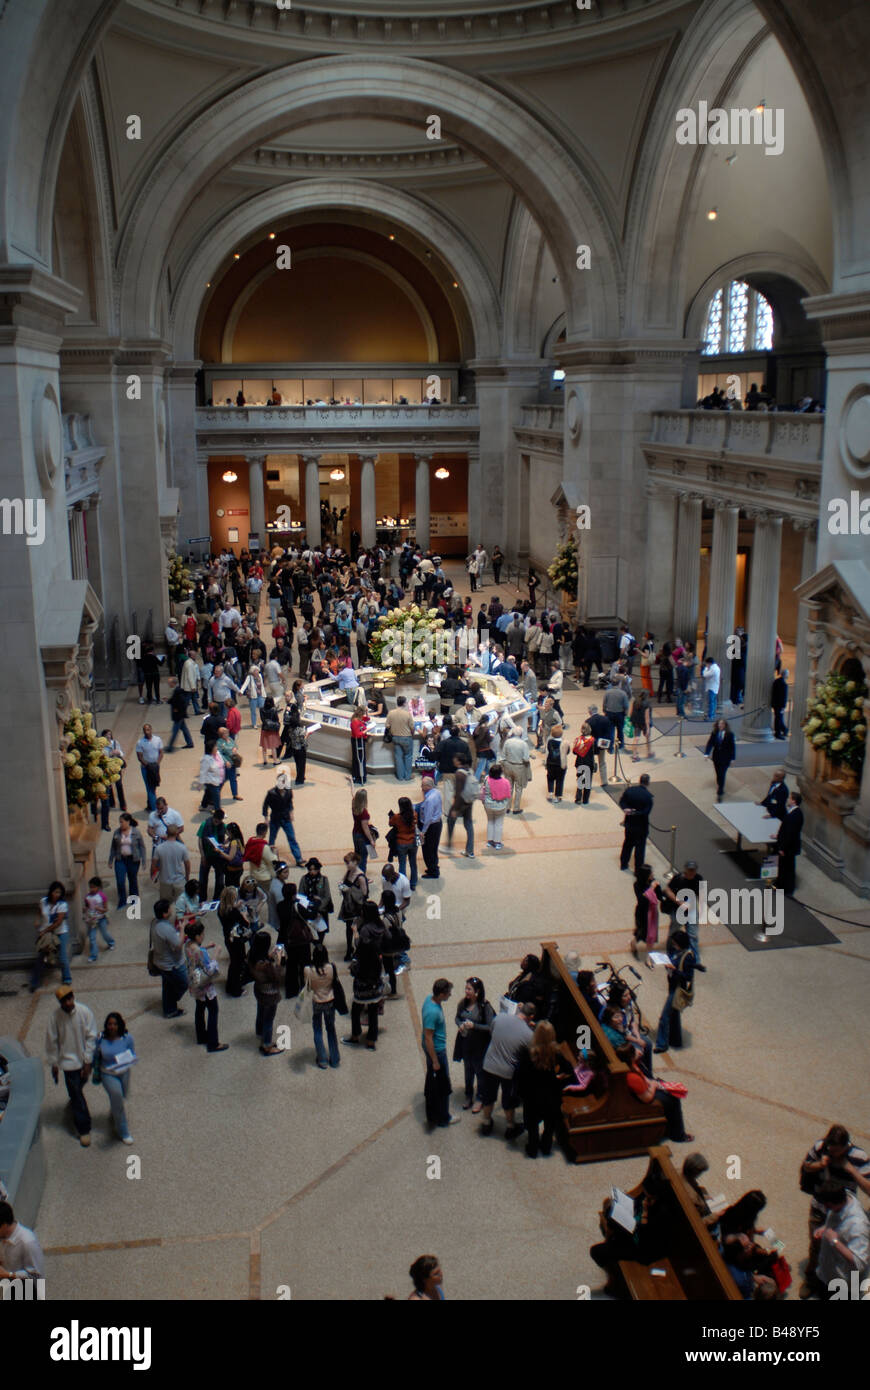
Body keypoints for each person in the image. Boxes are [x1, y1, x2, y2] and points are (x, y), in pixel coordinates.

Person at [799, 1124, 870, 1298]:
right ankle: (812, 1280)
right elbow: (805, 1166)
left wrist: (851, 1170)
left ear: (846, 1146)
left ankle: (836, 1284)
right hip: (820, 1207)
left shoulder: (859, 1157)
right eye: (830, 1149)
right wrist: (818, 1165)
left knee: (841, 1250)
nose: (832, 1154)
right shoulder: (821, 1147)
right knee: (816, 1247)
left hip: (842, 1212)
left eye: (836, 1151)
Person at [45, 985, 97, 1146]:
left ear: (73, 997)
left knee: (77, 1090)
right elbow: (51, 1042)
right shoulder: (55, 1018)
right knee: (76, 1094)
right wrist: (54, 1063)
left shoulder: (84, 1012)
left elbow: (91, 1037)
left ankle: (75, 1101)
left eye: (69, 999)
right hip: (68, 1063)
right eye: (63, 1001)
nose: (68, 1003)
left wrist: (87, 1061)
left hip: (84, 1059)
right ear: (60, 1002)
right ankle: (84, 1129)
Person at [516, 1019, 573, 1158]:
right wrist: (559, 1076)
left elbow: (520, 1073)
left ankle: (533, 1148)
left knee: (532, 1124)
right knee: (550, 1123)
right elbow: (569, 1069)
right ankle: (546, 1147)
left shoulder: (527, 1052)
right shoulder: (556, 1052)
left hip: (532, 1093)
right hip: (551, 1093)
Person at [617, 1043, 694, 1143]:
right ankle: (678, 1135)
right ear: (630, 1057)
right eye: (635, 1051)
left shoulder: (631, 1065)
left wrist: (654, 1083)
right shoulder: (632, 1077)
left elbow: (644, 1078)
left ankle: (669, 1128)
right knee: (673, 1099)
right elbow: (647, 1098)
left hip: (647, 1088)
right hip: (642, 1100)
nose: (637, 1051)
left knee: (668, 1089)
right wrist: (654, 1085)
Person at [479, 1001, 535, 1139]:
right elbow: (530, 1053)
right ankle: (510, 1126)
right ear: (531, 1017)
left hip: (489, 1065)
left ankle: (486, 1122)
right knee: (508, 1100)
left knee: (488, 1096)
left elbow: (492, 1032)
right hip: (508, 1072)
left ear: (520, 1009)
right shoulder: (529, 1034)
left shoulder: (500, 1017)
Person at [811, 1181, 870, 1297]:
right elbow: (837, 1222)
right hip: (826, 1271)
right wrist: (825, 1228)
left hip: (841, 1283)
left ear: (832, 1203)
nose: (826, 1209)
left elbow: (860, 1262)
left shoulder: (858, 1226)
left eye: (827, 1206)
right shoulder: (845, 1197)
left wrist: (835, 1241)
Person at [184, 919, 228, 1052]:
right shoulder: (200, 952)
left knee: (200, 1009)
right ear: (197, 936)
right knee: (213, 1011)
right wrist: (216, 954)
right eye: (202, 934)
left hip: (194, 982)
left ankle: (201, 1036)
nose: (203, 936)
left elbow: (196, 954)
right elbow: (209, 969)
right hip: (205, 986)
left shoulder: (188, 945)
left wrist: (206, 947)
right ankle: (213, 1043)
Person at [94, 1010, 137, 1144]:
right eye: (109, 1024)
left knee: (121, 1096)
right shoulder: (100, 1039)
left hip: (124, 1072)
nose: (111, 1027)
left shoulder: (127, 1038)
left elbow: (132, 1053)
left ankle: (115, 1109)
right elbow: (95, 1055)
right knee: (117, 1096)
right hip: (108, 1073)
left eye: (115, 1024)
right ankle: (123, 1131)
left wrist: (130, 1059)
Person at [453, 977, 494, 1111]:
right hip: (465, 1044)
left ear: (477, 991)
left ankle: (480, 1097)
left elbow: (490, 1026)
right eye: (466, 988)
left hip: (480, 1046)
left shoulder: (485, 1007)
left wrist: (474, 1026)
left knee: (479, 1072)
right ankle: (468, 1095)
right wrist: (460, 1024)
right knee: (468, 1071)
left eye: (469, 989)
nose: (466, 991)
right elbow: (457, 1017)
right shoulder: (463, 1003)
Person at [345, 908, 384, 1050]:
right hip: (375, 987)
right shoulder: (376, 957)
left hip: (362, 988)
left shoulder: (359, 958)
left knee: (356, 1011)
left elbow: (354, 972)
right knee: (373, 1012)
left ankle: (355, 1035)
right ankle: (371, 1040)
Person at [422, 978, 458, 1127]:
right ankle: (444, 1117)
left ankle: (437, 1113)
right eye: (448, 992)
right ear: (442, 994)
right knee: (443, 1084)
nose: (450, 995)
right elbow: (429, 1037)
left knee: (436, 1081)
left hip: (433, 1049)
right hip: (436, 1051)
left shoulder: (428, 1000)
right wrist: (435, 1060)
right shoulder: (433, 1012)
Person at [654, 929, 695, 1053]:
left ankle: (662, 1044)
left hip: (678, 988)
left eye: (675, 943)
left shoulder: (687, 957)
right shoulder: (675, 952)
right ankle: (676, 1040)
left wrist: (674, 969)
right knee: (674, 1014)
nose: (673, 945)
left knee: (665, 1017)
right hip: (672, 985)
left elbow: (688, 976)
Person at [662, 860, 706, 969]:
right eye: (690, 870)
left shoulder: (699, 879)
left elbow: (701, 893)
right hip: (678, 910)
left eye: (693, 870)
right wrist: (679, 902)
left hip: (691, 911)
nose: (691, 872)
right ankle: (670, 955)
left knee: (693, 936)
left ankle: (696, 961)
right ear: (685, 870)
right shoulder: (678, 878)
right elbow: (667, 890)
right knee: (674, 934)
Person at [304, 943, 342, 1069]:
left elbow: (308, 987)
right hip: (330, 1001)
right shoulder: (331, 967)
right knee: (331, 1029)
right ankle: (335, 1059)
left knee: (317, 1029)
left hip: (316, 1001)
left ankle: (322, 1059)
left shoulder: (308, 970)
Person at [149, 899, 188, 1018]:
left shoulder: (154, 922)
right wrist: (182, 929)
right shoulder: (165, 928)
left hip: (160, 961)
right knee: (183, 983)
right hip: (172, 964)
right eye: (169, 908)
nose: (172, 909)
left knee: (167, 986)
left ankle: (169, 1009)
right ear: (165, 914)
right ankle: (171, 1003)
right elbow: (178, 945)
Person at [249, 932, 283, 1055]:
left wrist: (269, 956)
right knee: (269, 1019)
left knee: (261, 1012)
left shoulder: (252, 956)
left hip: (259, 989)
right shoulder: (266, 965)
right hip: (270, 993)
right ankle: (267, 1045)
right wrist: (278, 961)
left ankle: (259, 1032)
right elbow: (277, 977)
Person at [217, 885, 253, 997]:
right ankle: (236, 989)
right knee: (237, 964)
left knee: (233, 963)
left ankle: (230, 985)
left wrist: (235, 907)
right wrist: (244, 914)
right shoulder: (234, 913)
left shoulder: (221, 909)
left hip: (228, 937)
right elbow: (246, 923)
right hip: (237, 940)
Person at [263, 773, 304, 867]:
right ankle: (270, 859)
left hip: (286, 818)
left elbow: (290, 803)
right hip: (275, 818)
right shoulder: (271, 793)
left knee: (292, 838)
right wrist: (266, 818)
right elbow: (265, 805)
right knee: (272, 840)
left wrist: (291, 813)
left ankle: (298, 858)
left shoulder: (289, 791)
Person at [0, 1200, 45, 1285]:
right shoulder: (3, 1236)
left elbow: (36, 1276)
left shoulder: (28, 1242)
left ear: (4, 1225)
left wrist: (8, 1274)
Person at [108, 813, 146, 911]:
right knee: (120, 881)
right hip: (120, 859)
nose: (121, 824)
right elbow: (113, 847)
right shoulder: (117, 833)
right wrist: (111, 860)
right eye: (120, 822)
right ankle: (122, 899)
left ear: (128, 822)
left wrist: (144, 861)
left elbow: (142, 847)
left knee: (132, 879)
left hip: (133, 860)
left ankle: (134, 898)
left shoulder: (136, 832)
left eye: (122, 822)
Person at [618, 773, 653, 872]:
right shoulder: (648, 796)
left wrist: (626, 809)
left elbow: (622, 802)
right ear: (648, 783)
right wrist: (636, 812)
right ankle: (638, 869)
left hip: (629, 823)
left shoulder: (629, 791)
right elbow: (646, 812)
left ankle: (623, 864)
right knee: (640, 849)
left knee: (627, 844)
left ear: (639, 781)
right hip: (641, 826)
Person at [338, 852, 369, 961]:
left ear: (355, 862)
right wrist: (341, 885)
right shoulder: (349, 872)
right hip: (348, 905)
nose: (347, 866)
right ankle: (348, 949)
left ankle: (358, 950)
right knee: (348, 928)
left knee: (357, 929)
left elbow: (365, 894)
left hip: (357, 907)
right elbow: (343, 881)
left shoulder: (360, 877)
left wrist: (350, 890)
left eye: (348, 863)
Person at [152, 822, 191, 907]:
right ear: (177, 833)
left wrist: (153, 876)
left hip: (165, 880)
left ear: (166, 833)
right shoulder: (182, 848)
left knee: (164, 906)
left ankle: (165, 920)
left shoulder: (159, 848)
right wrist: (187, 877)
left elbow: (153, 865)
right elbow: (187, 865)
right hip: (179, 880)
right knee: (181, 906)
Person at [446, 751, 476, 858]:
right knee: (468, 824)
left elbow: (458, 793)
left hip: (461, 802)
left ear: (458, 761)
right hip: (469, 801)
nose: (453, 760)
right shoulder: (470, 770)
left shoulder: (459, 774)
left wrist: (455, 808)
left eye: (455, 759)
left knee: (450, 820)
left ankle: (448, 846)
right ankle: (470, 850)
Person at [631, 863, 662, 964]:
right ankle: (633, 943)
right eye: (650, 873)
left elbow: (660, 896)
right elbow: (641, 899)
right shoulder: (637, 885)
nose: (652, 874)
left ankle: (649, 957)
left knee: (652, 935)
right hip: (642, 912)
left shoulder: (654, 883)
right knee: (641, 933)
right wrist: (651, 888)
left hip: (652, 912)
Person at [298, 857, 333, 942]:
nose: (312, 872)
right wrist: (309, 908)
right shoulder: (304, 879)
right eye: (310, 869)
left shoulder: (324, 879)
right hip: (308, 909)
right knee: (309, 931)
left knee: (322, 931)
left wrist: (318, 909)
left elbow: (327, 896)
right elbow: (301, 895)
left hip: (321, 910)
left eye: (314, 869)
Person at [775, 791, 803, 895]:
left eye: (790, 798)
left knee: (787, 868)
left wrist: (783, 848)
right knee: (784, 866)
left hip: (789, 848)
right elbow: (785, 829)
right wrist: (778, 836)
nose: (788, 800)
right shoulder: (793, 812)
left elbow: (790, 834)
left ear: (794, 801)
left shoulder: (795, 815)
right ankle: (781, 885)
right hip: (788, 845)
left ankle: (786, 888)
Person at [82, 876, 115, 962]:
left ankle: (111, 942)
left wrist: (99, 909)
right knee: (92, 937)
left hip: (101, 919)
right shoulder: (87, 897)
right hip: (92, 920)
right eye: (90, 887)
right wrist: (85, 909)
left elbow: (105, 909)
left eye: (94, 887)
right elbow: (86, 906)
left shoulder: (102, 896)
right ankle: (94, 955)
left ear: (98, 887)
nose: (92, 889)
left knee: (104, 933)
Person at [416, 776, 444, 879]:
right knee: (433, 848)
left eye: (422, 785)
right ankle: (433, 867)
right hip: (437, 823)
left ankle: (433, 871)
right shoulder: (436, 792)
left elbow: (427, 818)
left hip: (430, 827)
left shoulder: (429, 800)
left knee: (428, 850)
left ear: (428, 786)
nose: (421, 787)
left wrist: (423, 831)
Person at [388, 796, 419, 888]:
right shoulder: (414, 814)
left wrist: (391, 816)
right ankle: (413, 883)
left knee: (402, 864)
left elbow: (390, 823)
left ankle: (403, 884)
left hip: (401, 843)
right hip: (413, 842)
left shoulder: (397, 817)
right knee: (413, 863)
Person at [481, 762, 512, 851]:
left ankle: (490, 841)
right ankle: (497, 842)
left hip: (488, 805)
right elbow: (508, 794)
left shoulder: (487, 779)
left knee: (490, 821)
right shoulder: (505, 781)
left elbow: (483, 789)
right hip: (500, 806)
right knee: (498, 824)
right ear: (500, 773)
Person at [135, 723, 163, 812]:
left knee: (153, 786)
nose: (146, 732)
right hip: (146, 768)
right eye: (144, 730)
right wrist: (148, 766)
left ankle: (150, 805)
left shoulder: (157, 740)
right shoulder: (140, 743)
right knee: (150, 788)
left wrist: (156, 764)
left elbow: (161, 753)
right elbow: (139, 757)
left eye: (148, 730)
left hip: (155, 768)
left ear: (151, 729)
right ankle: (155, 810)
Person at [704, 717, 735, 800]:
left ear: (725, 725)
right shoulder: (714, 733)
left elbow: (732, 747)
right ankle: (720, 784)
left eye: (722, 724)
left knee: (722, 773)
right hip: (716, 757)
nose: (720, 725)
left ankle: (720, 791)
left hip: (726, 758)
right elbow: (710, 743)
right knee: (718, 773)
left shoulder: (730, 734)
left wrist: (732, 758)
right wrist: (706, 753)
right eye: (719, 724)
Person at [351, 786, 378, 874]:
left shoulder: (354, 804)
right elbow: (365, 828)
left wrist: (351, 782)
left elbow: (352, 793)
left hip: (355, 833)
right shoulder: (364, 813)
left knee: (357, 855)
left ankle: (355, 873)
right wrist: (371, 840)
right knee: (363, 858)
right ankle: (361, 877)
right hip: (362, 837)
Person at [198, 740, 226, 813]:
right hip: (212, 781)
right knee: (216, 797)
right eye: (215, 746)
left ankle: (203, 805)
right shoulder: (206, 759)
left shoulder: (218, 754)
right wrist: (200, 784)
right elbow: (203, 772)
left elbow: (223, 762)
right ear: (211, 748)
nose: (217, 748)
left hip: (220, 779)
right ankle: (218, 812)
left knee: (208, 792)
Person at [602, 679, 629, 752]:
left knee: (610, 731)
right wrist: (626, 713)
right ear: (619, 683)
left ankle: (610, 747)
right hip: (620, 714)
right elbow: (626, 705)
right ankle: (620, 746)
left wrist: (604, 711)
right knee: (620, 730)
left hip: (609, 713)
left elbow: (604, 703)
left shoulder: (607, 692)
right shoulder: (623, 693)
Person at [572, 724, 596, 805]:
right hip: (589, 763)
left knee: (580, 781)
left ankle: (578, 799)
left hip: (580, 762)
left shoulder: (578, 740)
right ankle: (585, 799)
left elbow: (574, 752)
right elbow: (596, 751)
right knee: (588, 782)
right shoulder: (592, 740)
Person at [545, 723, 568, 802]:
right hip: (560, 764)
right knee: (560, 780)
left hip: (551, 763)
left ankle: (550, 793)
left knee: (550, 778)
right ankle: (558, 796)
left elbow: (548, 750)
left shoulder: (550, 742)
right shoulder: (564, 743)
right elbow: (567, 752)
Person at [630, 687, 653, 761]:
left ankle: (634, 755)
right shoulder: (647, 704)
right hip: (643, 723)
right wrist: (648, 728)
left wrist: (630, 721)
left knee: (636, 738)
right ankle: (649, 752)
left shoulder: (635, 701)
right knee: (647, 737)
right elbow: (647, 718)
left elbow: (630, 712)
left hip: (636, 722)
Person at [259, 695, 282, 765]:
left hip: (264, 729)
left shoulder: (261, 709)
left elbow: (262, 719)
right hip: (272, 730)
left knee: (264, 746)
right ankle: (275, 761)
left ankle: (265, 760)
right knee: (273, 746)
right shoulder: (274, 709)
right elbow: (276, 719)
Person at [350, 707, 370, 784]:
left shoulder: (360, 719)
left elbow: (367, 719)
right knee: (358, 759)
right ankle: (357, 776)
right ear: (360, 714)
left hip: (361, 741)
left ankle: (362, 775)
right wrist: (366, 731)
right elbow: (357, 734)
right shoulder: (355, 721)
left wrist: (367, 712)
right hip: (357, 741)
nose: (364, 716)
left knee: (362, 758)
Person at [771, 667, 789, 739]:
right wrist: (783, 706)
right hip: (780, 705)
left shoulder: (776, 681)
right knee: (778, 719)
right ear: (785, 675)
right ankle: (778, 732)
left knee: (778, 718)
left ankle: (784, 729)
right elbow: (784, 697)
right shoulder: (784, 684)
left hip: (775, 703)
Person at [701, 657, 721, 721]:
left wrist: (706, 668)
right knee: (713, 701)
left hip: (712, 687)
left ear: (709, 663)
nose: (706, 665)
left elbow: (705, 674)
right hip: (713, 686)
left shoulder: (713, 669)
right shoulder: (715, 668)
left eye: (706, 664)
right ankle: (712, 714)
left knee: (711, 702)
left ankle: (710, 715)